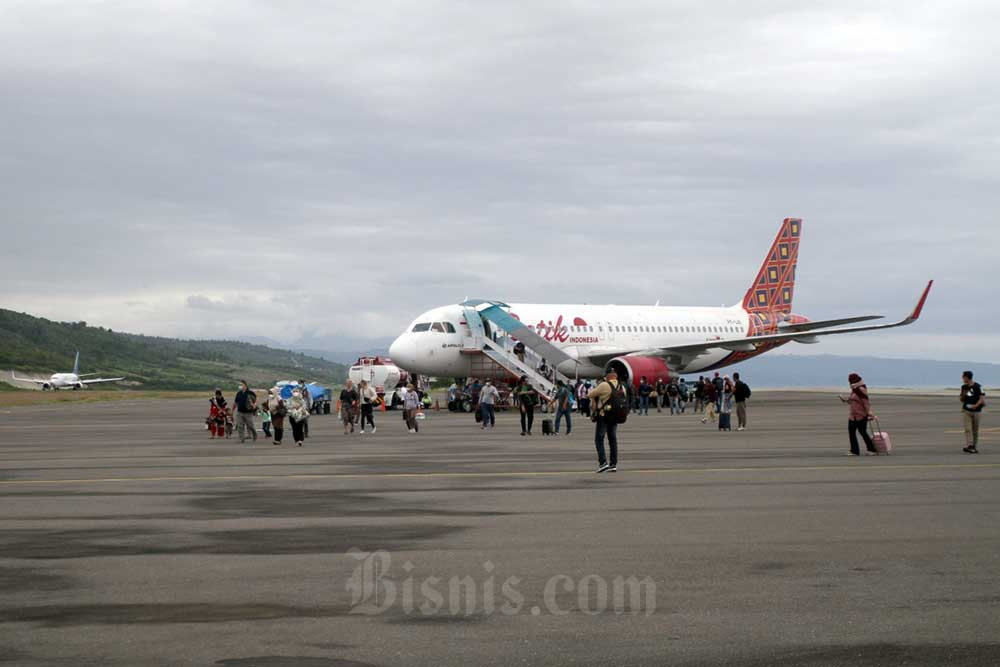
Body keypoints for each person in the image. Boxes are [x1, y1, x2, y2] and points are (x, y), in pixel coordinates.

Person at [588, 370, 624, 473]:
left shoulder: (604, 385)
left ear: (607, 376)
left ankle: (603, 463)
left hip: (604, 415)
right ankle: (613, 464)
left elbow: (590, 394)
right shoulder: (622, 386)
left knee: (599, 439)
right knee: (613, 439)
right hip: (615, 415)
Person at [839, 373, 877, 456]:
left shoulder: (861, 389)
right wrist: (845, 400)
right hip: (853, 415)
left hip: (861, 415)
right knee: (852, 433)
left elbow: (866, 402)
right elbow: (852, 401)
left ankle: (872, 450)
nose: (849, 383)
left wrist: (869, 413)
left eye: (850, 381)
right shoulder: (854, 390)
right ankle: (854, 451)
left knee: (863, 432)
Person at [960, 370, 986, 454]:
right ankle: (970, 445)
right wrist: (963, 395)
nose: (962, 378)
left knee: (975, 430)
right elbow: (961, 399)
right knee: (968, 429)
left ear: (967, 377)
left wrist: (976, 405)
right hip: (966, 410)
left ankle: (974, 446)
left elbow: (982, 398)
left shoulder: (978, 386)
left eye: (963, 376)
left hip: (977, 411)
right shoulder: (964, 387)